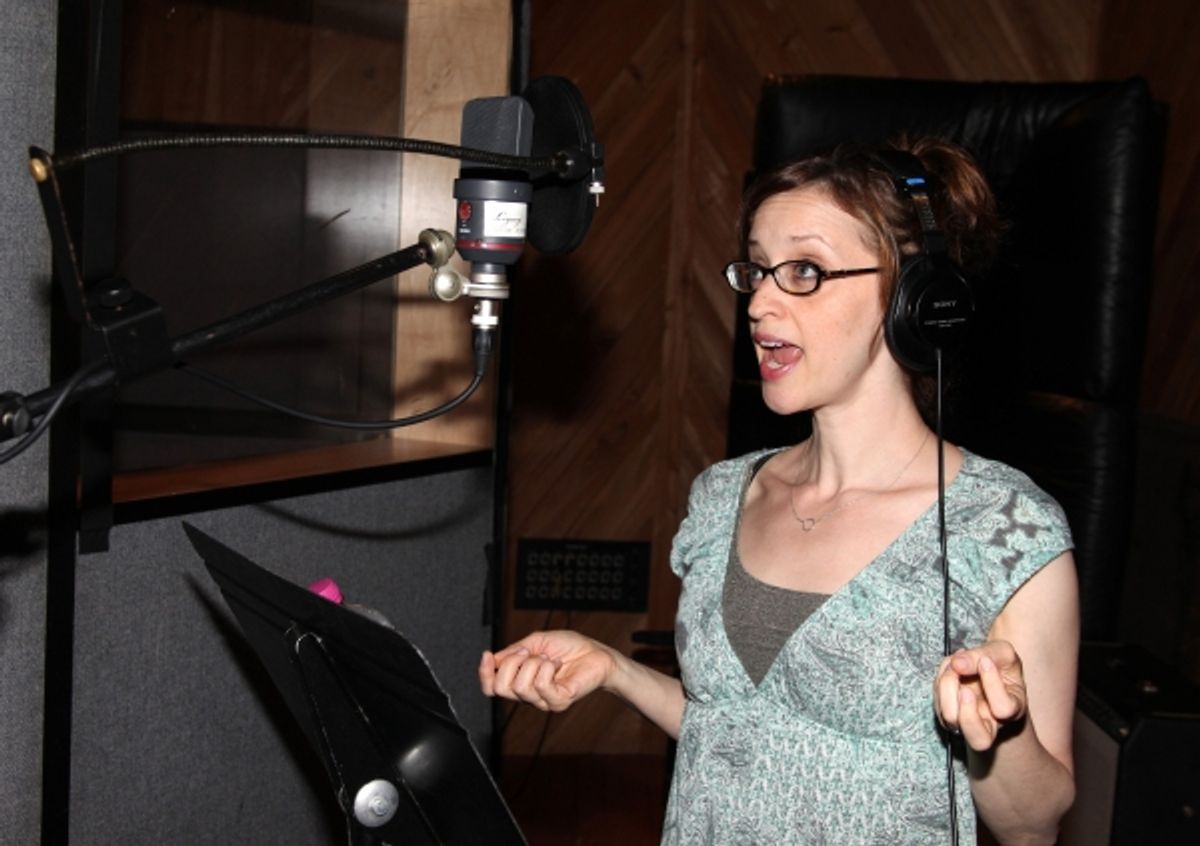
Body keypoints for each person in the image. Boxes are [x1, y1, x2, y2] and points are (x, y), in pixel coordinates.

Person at [479, 139, 1079, 845]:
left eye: (803, 270)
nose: (760, 301)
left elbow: (1035, 827)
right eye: (758, 270)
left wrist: (997, 736)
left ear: (914, 298)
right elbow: (737, 731)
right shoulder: (724, 495)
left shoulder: (1006, 526)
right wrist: (614, 671)